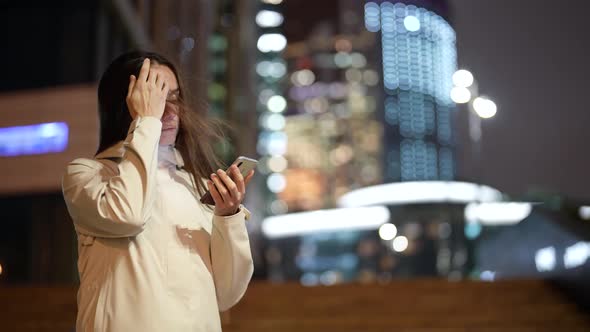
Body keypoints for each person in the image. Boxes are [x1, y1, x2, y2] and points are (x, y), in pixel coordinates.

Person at [62, 51, 255, 331]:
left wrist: (228, 216)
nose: (169, 110)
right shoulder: (87, 174)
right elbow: (126, 215)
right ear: (125, 103)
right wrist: (146, 122)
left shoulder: (195, 185)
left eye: (174, 97)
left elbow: (226, 294)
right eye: (156, 97)